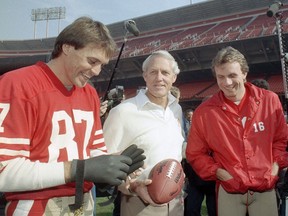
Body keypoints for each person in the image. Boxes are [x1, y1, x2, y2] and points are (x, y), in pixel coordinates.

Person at [0, 16, 145, 216]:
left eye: (102, 64)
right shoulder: (18, 84)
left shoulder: (89, 93)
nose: (96, 71)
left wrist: (113, 163)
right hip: (37, 205)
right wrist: (76, 169)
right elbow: (4, 171)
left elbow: (93, 149)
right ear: (67, 48)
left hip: (84, 203)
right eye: (92, 61)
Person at [186, 46, 288, 216]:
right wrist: (220, 174)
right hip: (229, 188)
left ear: (244, 73)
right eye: (221, 77)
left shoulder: (270, 100)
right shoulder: (204, 112)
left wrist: (275, 167)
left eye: (232, 75)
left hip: (265, 186)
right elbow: (195, 154)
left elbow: (280, 139)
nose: (227, 82)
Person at [103, 50, 185, 216]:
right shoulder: (122, 112)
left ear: (174, 78)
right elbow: (105, 162)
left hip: (176, 202)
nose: (159, 78)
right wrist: (130, 186)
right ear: (145, 75)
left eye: (165, 73)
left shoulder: (176, 109)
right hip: (138, 203)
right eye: (153, 72)